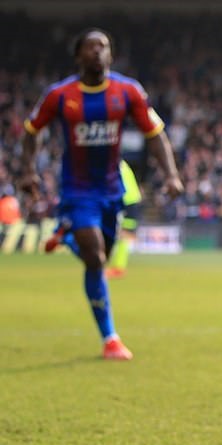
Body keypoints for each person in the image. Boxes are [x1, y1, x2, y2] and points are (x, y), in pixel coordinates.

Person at [20, 28, 183, 359]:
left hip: (112, 190)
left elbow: (155, 135)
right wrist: (27, 171)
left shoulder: (128, 91)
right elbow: (31, 131)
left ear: (110, 54)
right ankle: (110, 338)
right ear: (78, 55)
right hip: (78, 190)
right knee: (94, 259)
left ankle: (66, 236)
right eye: (91, 47)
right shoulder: (60, 94)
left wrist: (171, 175)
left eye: (104, 47)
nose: (98, 52)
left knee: (102, 255)